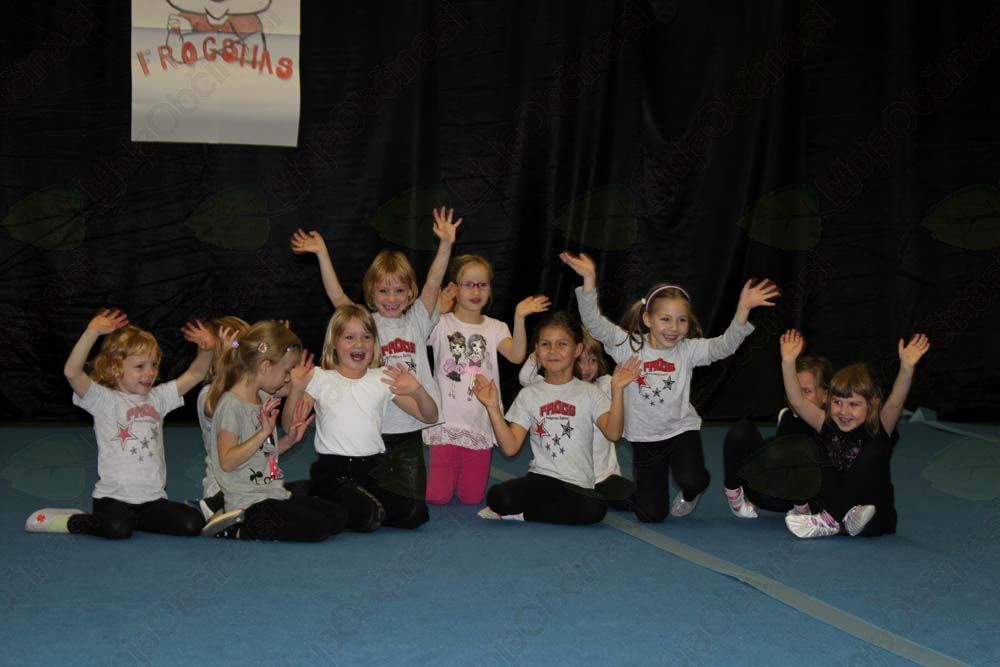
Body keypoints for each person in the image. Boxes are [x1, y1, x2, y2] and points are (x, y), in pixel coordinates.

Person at [560, 251, 780, 523]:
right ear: (647, 319)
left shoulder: (687, 350)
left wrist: (742, 311)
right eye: (665, 319)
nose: (674, 328)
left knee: (692, 478)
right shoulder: (628, 345)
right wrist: (589, 280)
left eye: (682, 320)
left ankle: (692, 491)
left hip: (680, 430)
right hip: (644, 439)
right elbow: (594, 323)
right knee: (651, 515)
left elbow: (723, 346)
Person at [290, 207, 461, 527]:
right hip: (374, 433)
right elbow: (337, 297)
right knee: (369, 504)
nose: (391, 298)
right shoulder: (367, 324)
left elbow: (433, 282)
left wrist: (446, 245)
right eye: (383, 290)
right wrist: (322, 253)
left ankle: (354, 500)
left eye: (399, 290)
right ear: (371, 292)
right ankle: (324, 492)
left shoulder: (418, 319)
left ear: (410, 293)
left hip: (408, 432)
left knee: (413, 514)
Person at [26, 309, 212, 539]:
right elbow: (72, 373)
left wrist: (207, 350)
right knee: (117, 528)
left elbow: (196, 373)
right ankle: (75, 520)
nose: (150, 373)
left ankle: (136, 521)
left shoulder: (159, 398)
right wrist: (92, 332)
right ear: (115, 368)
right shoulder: (104, 400)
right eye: (140, 366)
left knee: (192, 523)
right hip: (112, 498)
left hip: (152, 499)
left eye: (154, 364)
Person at [473, 311, 640, 524]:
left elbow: (613, 433)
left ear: (577, 349)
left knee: (595, 509)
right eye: (545, 344)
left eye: (562, 344)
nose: (553, 351)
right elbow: (511, 447)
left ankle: (524, 514)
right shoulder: (529, 394)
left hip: (578, 485)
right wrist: (493, 407)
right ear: (537, 349)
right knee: (498, 497)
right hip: (542, 479)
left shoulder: (590, 393)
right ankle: (538, 509)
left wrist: (617, 391)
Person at [285, 305, 439, 531]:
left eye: (366, 337)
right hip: (333, 470)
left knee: (416, 513)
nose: (359, 344)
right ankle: (314, 493)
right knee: (368, 517)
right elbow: (290, 424)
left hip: (372, 470)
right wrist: (296, 390)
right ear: (334, 343)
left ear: (375, 343)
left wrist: (418, 390)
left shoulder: (383, 378)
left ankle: (332, 500)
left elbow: (430, 415)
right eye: (349, 337)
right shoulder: (319, 378)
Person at [423, 254, 550, 505]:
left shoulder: (496, 327)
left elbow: (516, 355)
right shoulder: (441, 324)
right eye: (469, 284)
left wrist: (519, 317)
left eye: (482, 285)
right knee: (438, 497)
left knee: (472, 498)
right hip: (446, 423)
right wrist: (436, 310)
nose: (476, 291)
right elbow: (417, 335)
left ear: (490, 290)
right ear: (455, 288)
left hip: (480, 422)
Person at [205, 320, 348, 541]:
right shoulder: (231, 405)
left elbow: (263, 453)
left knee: (338, 516)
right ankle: (236, 528)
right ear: (264, 366)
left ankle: (260, 518)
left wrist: (290, 439)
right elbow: (227, 461)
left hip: (273, 492)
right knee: (318, 527)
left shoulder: (262, 397)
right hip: (249, 501)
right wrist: (262, 433)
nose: (288, 377)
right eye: (286, 371)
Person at [780, 329, 930, 538]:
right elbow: (798, 402)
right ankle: (838, 521)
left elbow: (896, 402)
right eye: (837, 402)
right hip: (829, 506)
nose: (844, 411)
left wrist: (906, 368)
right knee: (814, 451)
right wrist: (788, 363)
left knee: (871, 451)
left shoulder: (878, 428)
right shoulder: (827, 423)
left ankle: (834, 520)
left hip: (871, 514)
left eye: (854, 404)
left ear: (872, 404)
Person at [518, 330, 635, 507]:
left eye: (593, 360)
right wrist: (540, 353)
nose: (587, 368)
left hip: (603, 477)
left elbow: (630, 388)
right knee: (585, 505)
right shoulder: (551, 389)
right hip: (568, 478)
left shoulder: (606, 385)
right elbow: (525, 378)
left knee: (641, 501)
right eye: (580, 361)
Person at [722, 354, 834, 518]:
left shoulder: (826, 423)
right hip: (764, 491)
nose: (798, 398)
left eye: (806, 391)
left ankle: (802, 509)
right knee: (742, 430)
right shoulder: (786, 414)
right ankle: (733, 494)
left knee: (799, 449)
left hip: (796, 498)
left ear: (825, 395)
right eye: (794, 390)